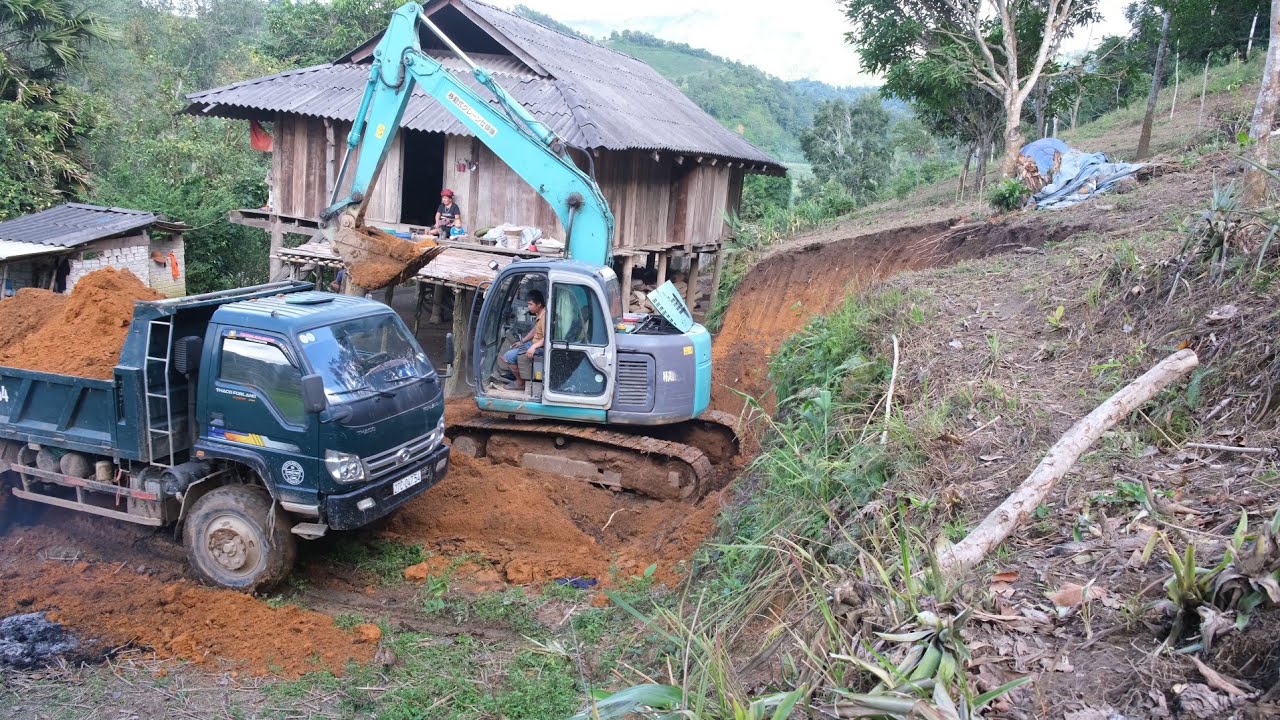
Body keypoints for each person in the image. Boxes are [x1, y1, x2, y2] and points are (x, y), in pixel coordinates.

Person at [501, 290, 545, 391]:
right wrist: (522, 342)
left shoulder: (545, 317)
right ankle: (519, 376)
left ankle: (520, 382)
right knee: (513, 351)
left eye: (530, 304)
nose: (528, 307)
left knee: (508, 357)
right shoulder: (541, 314)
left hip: (539, 348)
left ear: (539, 304)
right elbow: (535, 331)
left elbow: (547, 338)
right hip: (533, 344)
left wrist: (533, 347)